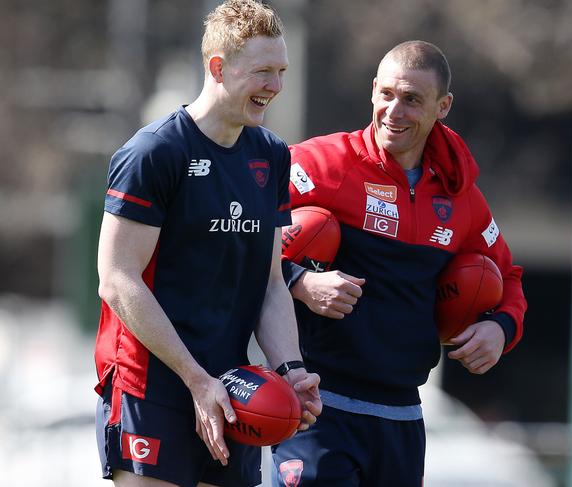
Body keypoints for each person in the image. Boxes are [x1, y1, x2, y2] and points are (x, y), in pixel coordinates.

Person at [272, 41, 527, 486]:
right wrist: (299, 282)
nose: (394, 110)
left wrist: (499, 327)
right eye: (387, 94)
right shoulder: (321, 164)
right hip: (315, 406)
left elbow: (507, 277)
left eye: (412, 100)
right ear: (373, 90)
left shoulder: (460, 197)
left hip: (403, 417)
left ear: (442, 106)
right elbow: (239, 236)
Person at [93, 1, 322, 486]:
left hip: (234, 391)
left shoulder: (271, 156)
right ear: (218, 67)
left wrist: (292, 371)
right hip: (150, 388)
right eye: (263, 71)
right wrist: (196, 378)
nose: (275, 87)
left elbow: (272, 285)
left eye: (281, 71)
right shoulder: (154, 152)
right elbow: (117, 279)